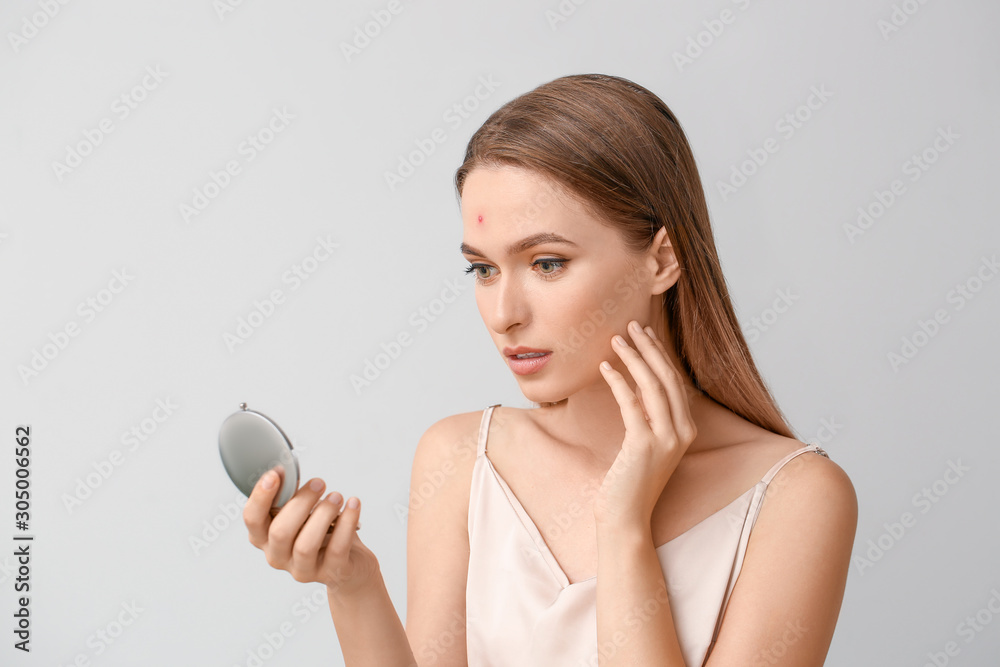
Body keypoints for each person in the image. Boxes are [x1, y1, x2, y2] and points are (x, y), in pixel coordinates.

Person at [242, 73, 858, 666]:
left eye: (547, 263)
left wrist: (622, 526)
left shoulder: (797, 499)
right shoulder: (461, 459)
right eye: (482, 269)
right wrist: (353, 586)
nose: (504, 315)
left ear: (662, 260)